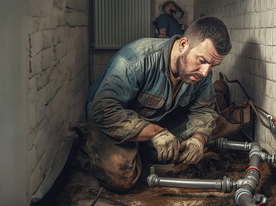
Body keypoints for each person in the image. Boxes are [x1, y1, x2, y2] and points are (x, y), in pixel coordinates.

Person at [85, 16, 232, 192]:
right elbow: (104, 109)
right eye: (202, 61)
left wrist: (197, 139)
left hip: (155, 119)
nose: (205, 72)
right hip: (110, 121)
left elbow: (204, 109)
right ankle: (87, 147)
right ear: (183, 44)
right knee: (121, 176)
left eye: (213, 66)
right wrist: (157, 133)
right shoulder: (137, 59)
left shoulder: (202, 73)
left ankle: (143, 152)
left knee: (195, 142)